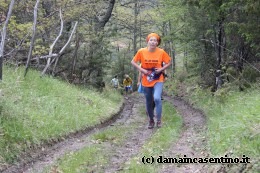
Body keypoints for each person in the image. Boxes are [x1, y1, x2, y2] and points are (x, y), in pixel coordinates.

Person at [131, 33, 171, 129]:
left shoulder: (161, 52)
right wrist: (142, 70)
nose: (153, 42)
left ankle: (159, 120)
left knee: (157, 98)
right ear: (148, 41)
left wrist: (161, 69)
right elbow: (133, 62)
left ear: (157, 43)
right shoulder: (141, 51)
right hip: (146, 79)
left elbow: (169, 61)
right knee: (149, 101)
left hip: (158, 78)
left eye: (155, 41)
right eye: (151, 40)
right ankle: (151, 120)